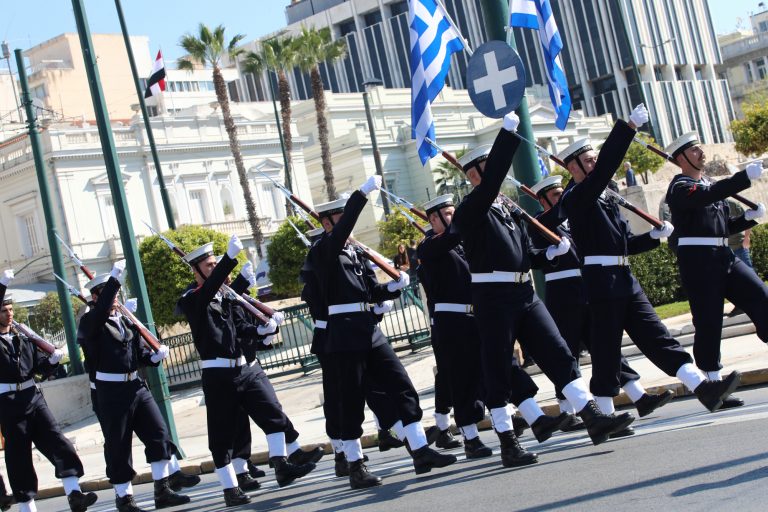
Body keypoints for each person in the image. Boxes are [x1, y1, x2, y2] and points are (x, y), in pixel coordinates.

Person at [451, 113, 635, 469]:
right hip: (492, 299)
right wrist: (507, 134)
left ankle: (592, 416)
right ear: (474, 174)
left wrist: (548, 255)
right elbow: (490, 197)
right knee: (498, 369)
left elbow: (522, 255)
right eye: (490, 166)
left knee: (559, 352)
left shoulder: (507, 209)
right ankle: (507, 440)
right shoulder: (471, 208)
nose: (499, 172)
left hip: (524, 295)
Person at [557, 107, 741, 418]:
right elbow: (605, 168)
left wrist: (654, 238)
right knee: (606, 349)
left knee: (658, 337)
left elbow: (624, 242)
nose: (594, 164)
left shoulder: (604, 196)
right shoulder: (575, 197)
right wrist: (627, 128)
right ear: (572, 167)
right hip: (601, 281)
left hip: (623, 277)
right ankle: (603, 414)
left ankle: (702, 388)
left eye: (593, 158)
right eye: (588, 160)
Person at [307, 176, 456, 489]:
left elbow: (370, 291)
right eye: (340, 219)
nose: (347, 225)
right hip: (343, 334)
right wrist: (360, 196)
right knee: (350, 402)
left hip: (369, 330)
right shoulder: (323, 251)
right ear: (327, 223)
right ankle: (355, 464)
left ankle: (419, 450)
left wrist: (391, 288)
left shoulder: (355, 254)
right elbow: (342, 233)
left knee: (401, 385)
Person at [418, 193, 566, 454]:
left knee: (505, 367)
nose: (455, 218)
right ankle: (470, 437)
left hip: (481, 313)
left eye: (454, 212)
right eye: (449, 214)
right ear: (433, 219)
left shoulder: (467, 241)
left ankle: (537, 419)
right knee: (464, 378)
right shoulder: (429, 246)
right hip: (452, 321)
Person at [176, 238, 315, 507]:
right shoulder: (192, 299)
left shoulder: (225, 297)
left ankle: (282, 464)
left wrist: (261, 331)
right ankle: (230, 488)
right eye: (210, 264)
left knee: (273, 412)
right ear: (196, 271)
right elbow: (208, 292)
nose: (215, 267)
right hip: (218, 376)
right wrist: (229, 259)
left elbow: (239, 330)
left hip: (244, 369)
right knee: (222, 435)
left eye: (217, 263)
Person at [530, 176, 674, 430]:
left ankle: (639, 396)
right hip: (564, 295)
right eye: (555, 196)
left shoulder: (575, 220)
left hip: (588, 289)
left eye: (562, 194)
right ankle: (568, 411)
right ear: (542, 201)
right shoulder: (540, 225)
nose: (561, 199)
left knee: (605, 348)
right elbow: (538, 256)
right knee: (566, 352)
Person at [78, 263, 194, 512]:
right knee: (119, 445)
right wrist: (114, 279)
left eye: (115, 293)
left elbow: (137, 353)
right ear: (95, 297)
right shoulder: (89, 322)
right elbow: (98, 316)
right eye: (109, 293)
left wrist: (152, 357)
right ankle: (125, 499)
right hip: (111, 392)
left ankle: (162, 489)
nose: (115, 298)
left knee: (159, 433)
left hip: (136, 386)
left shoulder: (124, 320)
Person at [665, 132, 767, 407]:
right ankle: (714, 386)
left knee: (761, 296)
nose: (701, 153)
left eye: (700, 149)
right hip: (699, 262)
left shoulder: (707, 185)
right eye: (695, 150)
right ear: (681, 158)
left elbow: (721, 229)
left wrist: (747, 219)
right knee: (709, 321)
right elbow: (705, 196)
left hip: (724, 255)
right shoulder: (680, 187)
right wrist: (743, 178)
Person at [300, 227, 407, 478]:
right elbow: (327, 311)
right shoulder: (317, 275)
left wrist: (377, 304)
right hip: (332, 341)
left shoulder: (349, 262)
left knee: (373, 388)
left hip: (353, 335)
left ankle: (398, 434)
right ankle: (342, 454)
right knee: (340, 397)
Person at [0, 269, 98, 512]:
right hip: (8, 402)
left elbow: (40, 368)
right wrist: (2, 283)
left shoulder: (22, 338)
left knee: (58, 442)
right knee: (19, 455)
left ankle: (75, 493)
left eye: (11, 309)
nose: (9, 314)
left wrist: (53, 360)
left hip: (33, 396)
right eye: (3, 310)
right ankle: (27, 507)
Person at [227, 262, 324, 487]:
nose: (229, 277)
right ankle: (240, 473)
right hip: (227, 373)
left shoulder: (238, 299)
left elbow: (249, 329)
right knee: (237, 425)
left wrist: (265, 337)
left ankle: (284, 461)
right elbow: (234, 331)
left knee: (272, 410)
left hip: (250, 365)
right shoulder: (214, 300)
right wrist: (259, 332)